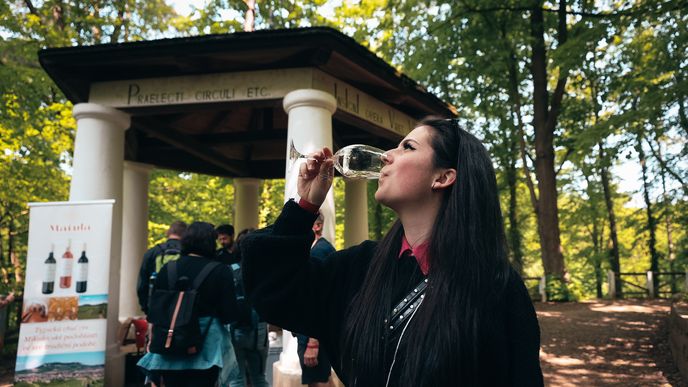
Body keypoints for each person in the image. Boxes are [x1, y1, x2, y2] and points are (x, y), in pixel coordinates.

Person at [240, 118, 544, 386]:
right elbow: (273, 294)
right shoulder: (359, 267)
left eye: (407, 147)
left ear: (442, 177)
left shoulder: (496, 287)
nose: (386, 156)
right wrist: (303, 207)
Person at [138, 221, 240, 387]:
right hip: (206, 351)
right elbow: (229, 314)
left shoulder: (167, 269)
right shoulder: (220, 271)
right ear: (210, 242)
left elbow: (154, 309)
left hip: (169, 345)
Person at [224, 228, 270, 387]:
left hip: (235, 328)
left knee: (237, 378)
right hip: (260, 329)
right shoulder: (265, 271)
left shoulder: (230, 271)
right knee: (259, 377)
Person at [296, 214, 336, 387]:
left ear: (317, 226)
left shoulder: (319, 252)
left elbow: (321, 298)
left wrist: (313, 341)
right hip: (311, 329)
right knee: (320, 377)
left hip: (312, 331)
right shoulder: (317, 249)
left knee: (318, 381)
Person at [136, 221, 187, 314]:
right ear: (186, 235)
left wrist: (146, 308)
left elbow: (142, 285)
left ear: (168, 232)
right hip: (181, 308)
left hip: (157, 306)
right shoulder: (188, 253)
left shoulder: (152, 252)